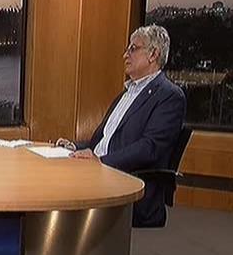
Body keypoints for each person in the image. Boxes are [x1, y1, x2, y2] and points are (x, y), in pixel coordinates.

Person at [56, 25, 186, 227]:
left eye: (133, 49)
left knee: (60, 193)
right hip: (99, 174)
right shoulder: (125, 95)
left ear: (153, 54)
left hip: (128, 186)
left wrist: (101, 162)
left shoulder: (169, 96)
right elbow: (103, 142)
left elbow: (150, 148)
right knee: (54, 176)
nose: (125, 55)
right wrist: (75, 146)